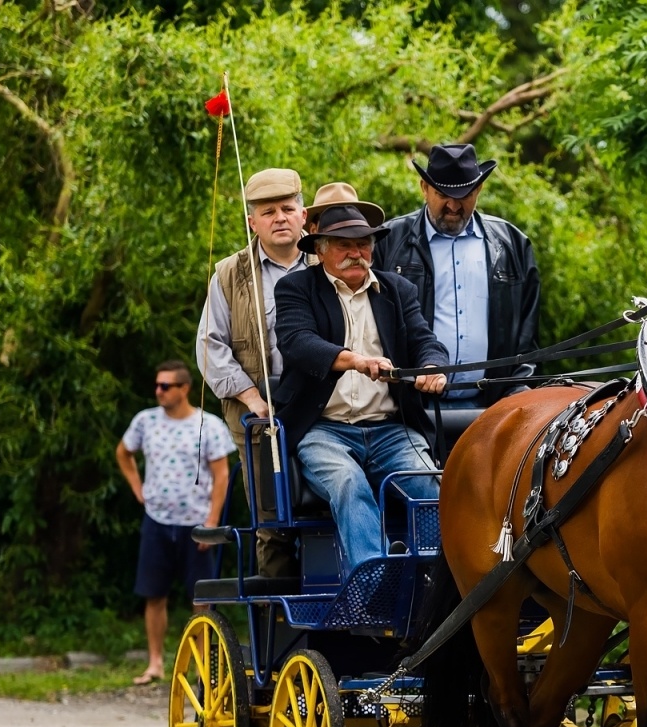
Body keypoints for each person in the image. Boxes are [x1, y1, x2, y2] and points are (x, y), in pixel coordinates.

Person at [273, 183, 449, 577]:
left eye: (364, 242)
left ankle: (441, 589)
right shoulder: (296, 288)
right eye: (342, 244)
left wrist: (433, 369)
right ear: (319, 249)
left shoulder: (397, 289)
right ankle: (374, 586)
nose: (356, 252)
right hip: (324, 429)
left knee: (429, 489)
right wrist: (354, 360)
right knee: (348, 484)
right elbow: (298, 342)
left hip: (392, 430)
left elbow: (425, 342)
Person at [196, 167, 307, 577]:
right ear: (252, 222)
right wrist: (251, 398)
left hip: (324, 406)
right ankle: (278, 618)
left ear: (303, 214)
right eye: (268, 211)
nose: (279, 217)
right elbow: (209, 347)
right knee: (273, 517)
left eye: (287, 208)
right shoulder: (230, 272)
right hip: (258, 411)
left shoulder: (325, 262)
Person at [375, 143, 540, 409]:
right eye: (442, 194)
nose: (453, 205)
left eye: (464, 195)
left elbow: (527, 335)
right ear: (424, 189)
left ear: (479, 190)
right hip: (412, 410)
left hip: (493, 409)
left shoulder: (512, 244)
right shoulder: (389, 241)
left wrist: (517, 392)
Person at [115, 360, 235, 685]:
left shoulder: (207, 425)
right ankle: (155, 663)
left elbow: (222, 475)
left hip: (196, 523)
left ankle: (202, 668)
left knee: (201, 599)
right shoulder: (146, 421)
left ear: (184, 389)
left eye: (165, 386)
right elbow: (123, 453)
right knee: (154, 594)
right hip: (157, 519)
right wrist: (138, 490)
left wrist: (211, 523)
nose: (158, 391)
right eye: (157, 385)